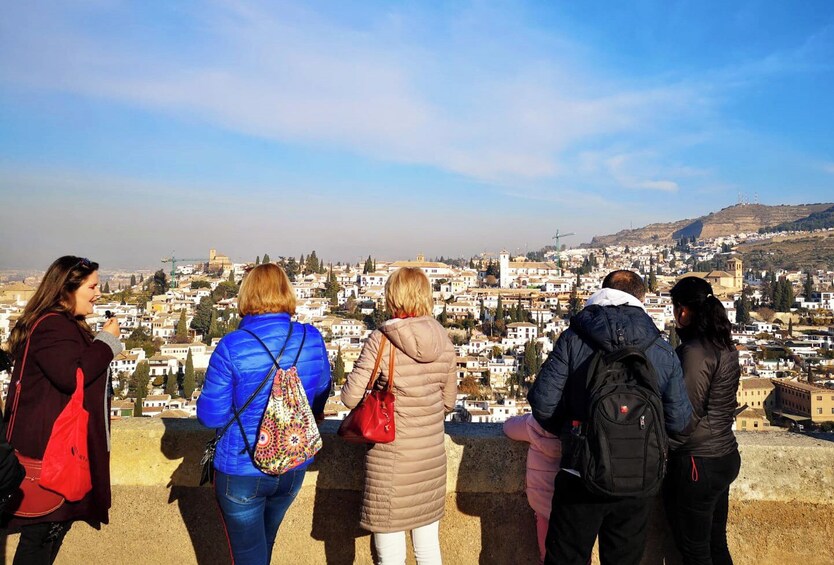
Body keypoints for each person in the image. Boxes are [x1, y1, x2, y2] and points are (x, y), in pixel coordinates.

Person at [528, 270, 692, 565]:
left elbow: (543, 403)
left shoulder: (574, 338)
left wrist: (574, 435)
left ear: (603, 292)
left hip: (580, 473)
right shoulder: (660, 347)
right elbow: (679, 421)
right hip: (638, 477)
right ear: (640, 298)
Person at [197, 263, 331, 565]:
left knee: (247, 557)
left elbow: (212, 417)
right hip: (292, 463)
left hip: (241, 469)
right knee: (264, 547)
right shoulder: (311, 338)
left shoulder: (231, 346)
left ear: (247, 294)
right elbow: (323, 388)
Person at [3, 256, 122, 564]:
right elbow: (73, 376)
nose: (98, 293)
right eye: (92, 286)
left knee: (46, 534)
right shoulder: (53, 326)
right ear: (68, 288)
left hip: (56, 452)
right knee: (41, 537)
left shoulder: (60, 324)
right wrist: (107, 342)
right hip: (48, 457)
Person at [340, 267, 457, 565]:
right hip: (430, 461)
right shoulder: (443, 339)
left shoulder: (382, 339)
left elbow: (350, 397)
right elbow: (449, 402)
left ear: (393, 297)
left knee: (390, 556)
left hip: (390, 462)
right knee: (428, 550)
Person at [663, 276, 741, 565]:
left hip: (698, 463)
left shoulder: (694, 353)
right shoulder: (725, 347)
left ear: (683, 311)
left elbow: (685, 415)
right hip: (724, 455)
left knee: (695, 551)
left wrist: (663, 447)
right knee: (716, 544)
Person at [503, 413, 561, 565]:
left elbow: (508, 427)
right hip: (575, 504)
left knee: (547, 556)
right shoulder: (582, 421)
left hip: (541, 503)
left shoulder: (538, 422)